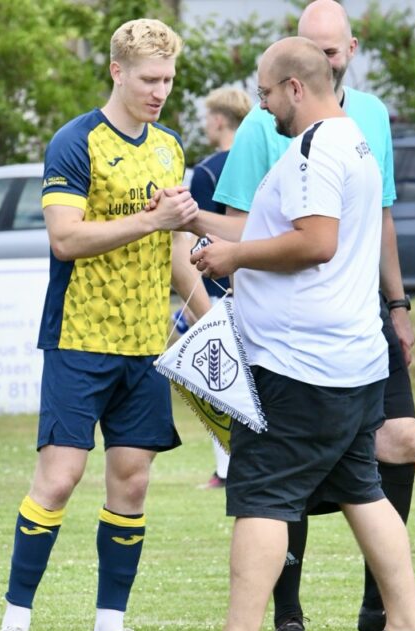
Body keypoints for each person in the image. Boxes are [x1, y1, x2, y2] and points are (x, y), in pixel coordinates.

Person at [175, 35, 415, 631]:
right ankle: (407, 627)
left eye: (266, 94)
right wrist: (198, 220)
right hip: (352, 360)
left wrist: (233, 257)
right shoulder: (352, 141)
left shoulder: (316, 150)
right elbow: (281, 227)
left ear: (296, 87)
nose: (262, 109)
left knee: (262, 495)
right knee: (364, 491)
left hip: (303, 365)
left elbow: (314, 242)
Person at [0, 18, 209, 631]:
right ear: (117, 71)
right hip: (81, 337)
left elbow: (174, 248)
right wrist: (152, 219)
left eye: (167, 79)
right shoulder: (75, 141)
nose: (159, 90)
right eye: (148, 78)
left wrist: (205, 314)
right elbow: (66, 238)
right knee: (58, 479)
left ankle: (110, 625)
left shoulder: (169, 147)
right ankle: (15, 621)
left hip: (146, 342)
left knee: (132, 483)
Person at [188, 86, 251, 490]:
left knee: (218, 377)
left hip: (217, 288)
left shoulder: (208, 171)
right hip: (260, 281)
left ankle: (226, 469)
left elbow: (195, 240)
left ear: (218, 120)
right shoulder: (261, 159)